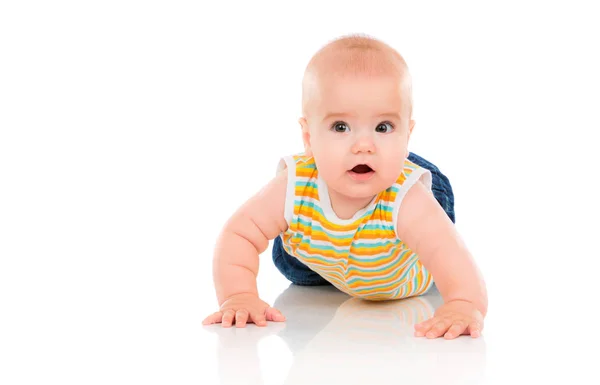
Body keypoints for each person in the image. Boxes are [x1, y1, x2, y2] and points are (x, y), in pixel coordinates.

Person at [202, 34, 487, 339]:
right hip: (323, 256)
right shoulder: (295, 184)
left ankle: (402, 166)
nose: (363, 145)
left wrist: (463, 302)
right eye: (341, 127)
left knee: (434, 236)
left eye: (383, 127)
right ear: (309, 138)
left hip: (398, 261)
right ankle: (315, 243)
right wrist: (238, 295)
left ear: (407, 135)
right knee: (295, 265)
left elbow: (450, 253)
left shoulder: (407, 200)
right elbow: (239, 234)